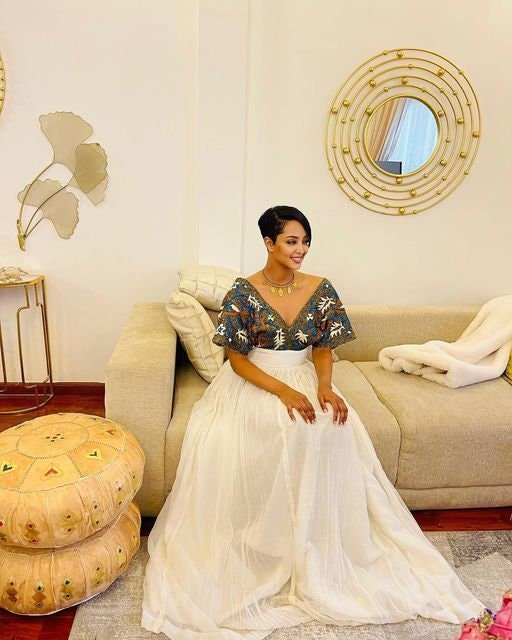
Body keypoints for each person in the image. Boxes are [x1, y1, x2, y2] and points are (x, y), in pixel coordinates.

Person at [142, 205, 483, 639]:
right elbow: (237, 361)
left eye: (305, 242)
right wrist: (283, 392)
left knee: (328, 424)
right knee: (278, 428)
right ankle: (267, 543)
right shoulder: (242, 292)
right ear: (268, 243)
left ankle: (315, 542)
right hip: (255, 381)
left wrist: (324, 386)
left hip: (304, 375)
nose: (300, 250)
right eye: (291, 241)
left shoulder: (321, 289)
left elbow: (323, 348)